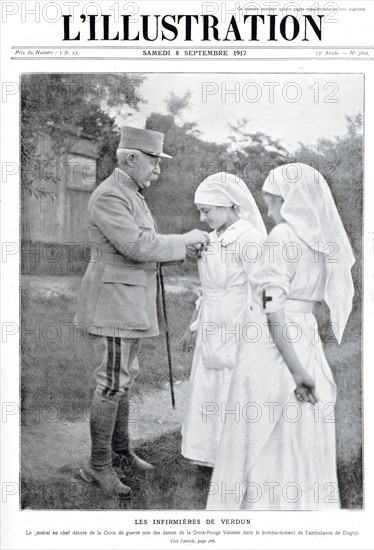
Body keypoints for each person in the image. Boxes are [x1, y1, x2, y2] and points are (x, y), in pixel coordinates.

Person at [207, 163, 355, 510]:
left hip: (276, 342)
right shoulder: (320, 240)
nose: (269, 211)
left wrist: (297, 371)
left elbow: (273, 313)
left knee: (267, 423)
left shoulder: (282, 237)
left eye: (272, 202)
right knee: (299, 427)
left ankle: (260, 508)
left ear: (288, 201)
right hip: (304, 335)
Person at [75, 126, 209, 496]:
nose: (158, 170)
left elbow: (146, 246)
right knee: (113, 380)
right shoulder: (109, 197)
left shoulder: (131, 192)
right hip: (113, 302)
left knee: (125, 376)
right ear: (130, 158)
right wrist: (183, 241)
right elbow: (136, 245)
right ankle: (98, 465)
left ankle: (119, 451)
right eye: (153, 162)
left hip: (128, 299)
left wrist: (179, 250)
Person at [180, 172, 267, 467]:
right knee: (208, 384)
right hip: (211, 320)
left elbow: (261, 289)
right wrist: (193, 326)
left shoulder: (249, 238)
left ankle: (235, 452)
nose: (203, 217)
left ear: (228, 205)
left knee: (233, 380)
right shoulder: (210, 239)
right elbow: (206, 290)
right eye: (200, 211)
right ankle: (207, 451)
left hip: (238, 319)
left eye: (207, 210)